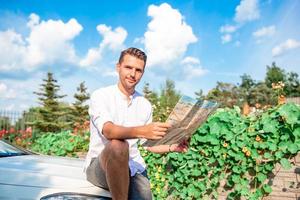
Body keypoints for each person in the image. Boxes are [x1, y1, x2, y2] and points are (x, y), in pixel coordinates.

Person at [84, 47, 188, 200]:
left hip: (134, 169)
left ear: (143, 73)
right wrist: (142, 131)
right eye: (128, 67)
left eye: (138, 70)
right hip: (100, 166)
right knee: (118, 145)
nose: (133, 74)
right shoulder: (101, 96)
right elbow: (108, 131)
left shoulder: (145, 104)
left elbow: (148, 145)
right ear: (118, 67)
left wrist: (173, 147)